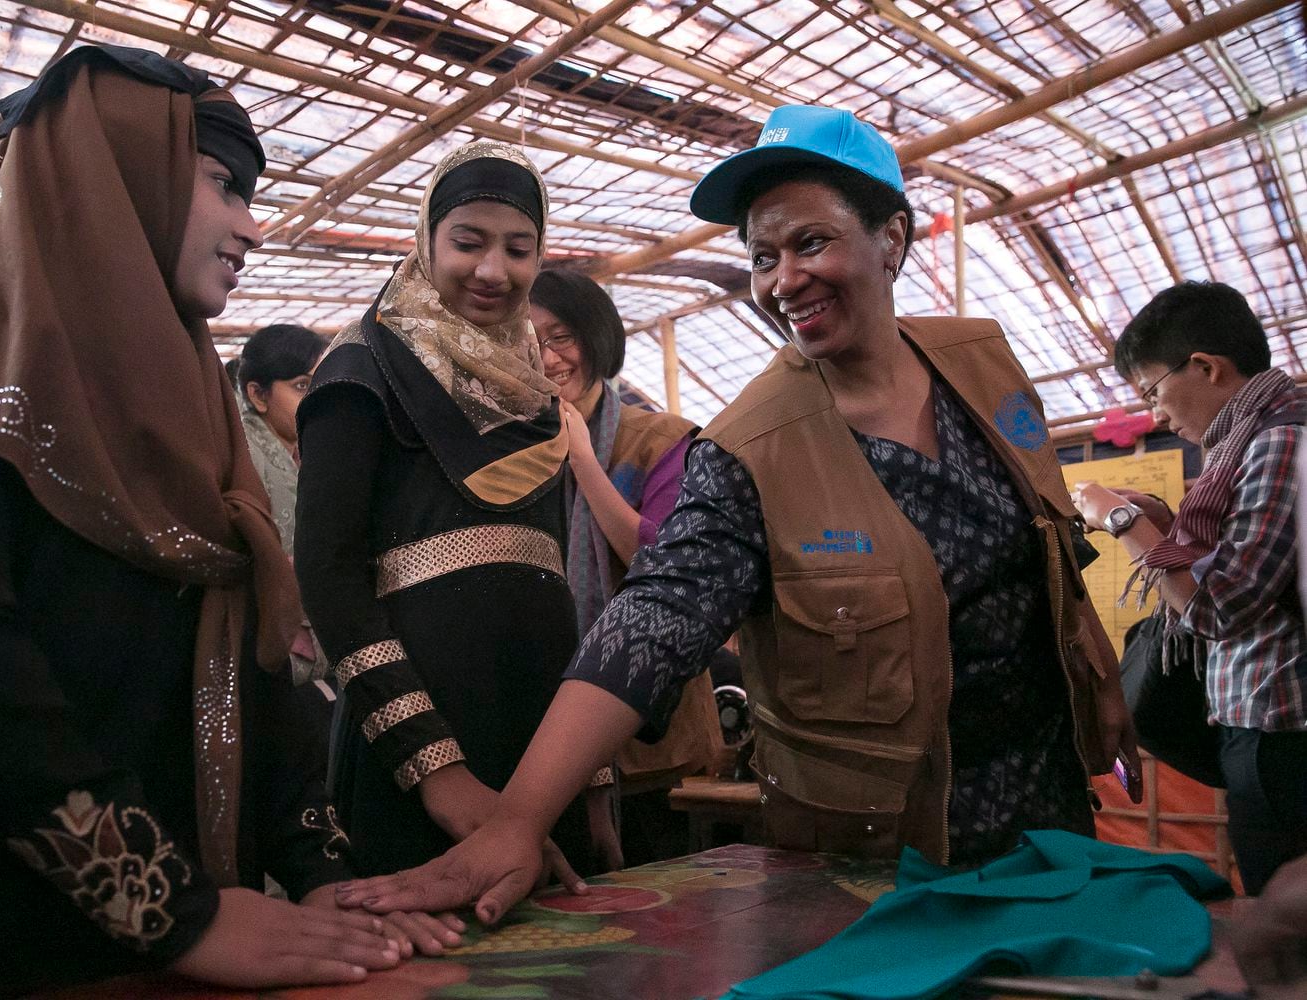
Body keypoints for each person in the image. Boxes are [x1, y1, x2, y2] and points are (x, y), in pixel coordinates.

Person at [333, 104, 1141, 924]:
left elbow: (1046, 541)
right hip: (882, 871)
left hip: (1049, 822)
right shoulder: (747, 451)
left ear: (891, 239)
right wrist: (518, 821)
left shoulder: (984, 365)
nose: (783, 279)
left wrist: (1097, 673)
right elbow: (656, 616)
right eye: (762, 256)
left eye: (812, 243)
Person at [0, 46, 457, 998]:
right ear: (118, 170)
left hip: (187, 949)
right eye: (225, 186)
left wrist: (331, 878)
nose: (250, 225)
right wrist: (169, 909)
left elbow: (254, 664)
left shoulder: (186, 395)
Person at [294, 140, 600, 885]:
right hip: (416, 752)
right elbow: (329, 581)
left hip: (542, 752)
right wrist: (437, 772)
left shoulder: (530, 391)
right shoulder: (360, 370)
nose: (494, 270)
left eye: (518, 248)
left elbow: (554, 586)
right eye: (468, 241)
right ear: (427, 237)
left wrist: (590, 783)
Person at [1071, 281, 1307, 896]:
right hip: (1262, 723)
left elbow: (1220, 605)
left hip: (1280, 730)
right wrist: (1159, 519)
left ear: (1205, 366)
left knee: (1285, 920)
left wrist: (1122, 522)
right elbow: (1243, 568)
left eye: (1152, 390)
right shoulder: (1247, 443)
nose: (1156, 414)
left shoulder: (1278, 441)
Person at [531, 269, 723, 867]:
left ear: (596, 337)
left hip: (655, 738)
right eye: (527, 339)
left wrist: (583, 460)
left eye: (560, 336)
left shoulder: (662, 439)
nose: (546, 356)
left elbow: (660, 563)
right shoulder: (511, 451)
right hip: (552, 741)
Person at [237, 323, 331, 554]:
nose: (319, 398)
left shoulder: (307, 453)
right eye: (302, 385)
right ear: (258, 395)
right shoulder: (245, 456)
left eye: (324, 383)